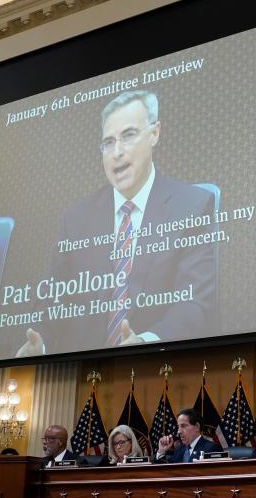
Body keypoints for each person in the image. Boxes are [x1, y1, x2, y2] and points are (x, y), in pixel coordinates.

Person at [16, 90, 217, 356]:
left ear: (155, 133)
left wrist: (146, 341)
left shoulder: (193, 206)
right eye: (108, 142)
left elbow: (195, 304)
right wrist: (39, 345)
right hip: (84, 371)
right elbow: (50, 303)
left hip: (161, 365)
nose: (117, 152)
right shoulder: (75, 219)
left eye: (129, 135)